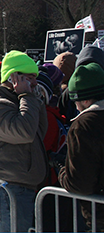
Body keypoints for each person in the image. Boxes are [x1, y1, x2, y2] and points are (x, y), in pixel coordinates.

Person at [0, 50, 48, 232]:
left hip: (21, 188)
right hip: (6, 191)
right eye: (30, 77)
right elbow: (24, 133)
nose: (34, 82)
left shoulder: (19, 100)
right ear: (14, 77)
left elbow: (39, 131)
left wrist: (34, 100)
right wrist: (27, 97)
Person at [58, 62, 104, 231]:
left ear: (84, 99)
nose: (75, 107)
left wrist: (63, 171)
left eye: (75, 101)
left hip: (99, 216)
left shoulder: (84, 125)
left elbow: (80, 183)